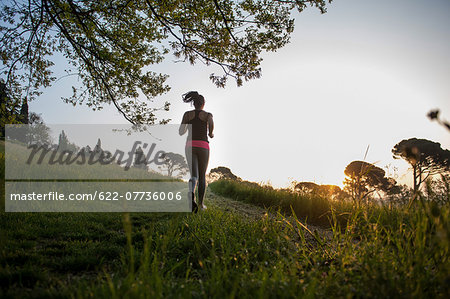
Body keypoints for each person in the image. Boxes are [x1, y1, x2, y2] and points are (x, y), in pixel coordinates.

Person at [179, 91, 214, 213]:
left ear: (193, 103)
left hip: (190, 145)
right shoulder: (208, 115)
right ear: (203, 103)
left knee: (194, 175)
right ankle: (201, 204)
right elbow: (211, 131)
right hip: (203, 146)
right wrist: (210, 133)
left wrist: (189, 126)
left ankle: (191, 192)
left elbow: (181, 132)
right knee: (202, 176)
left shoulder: (187, 114)